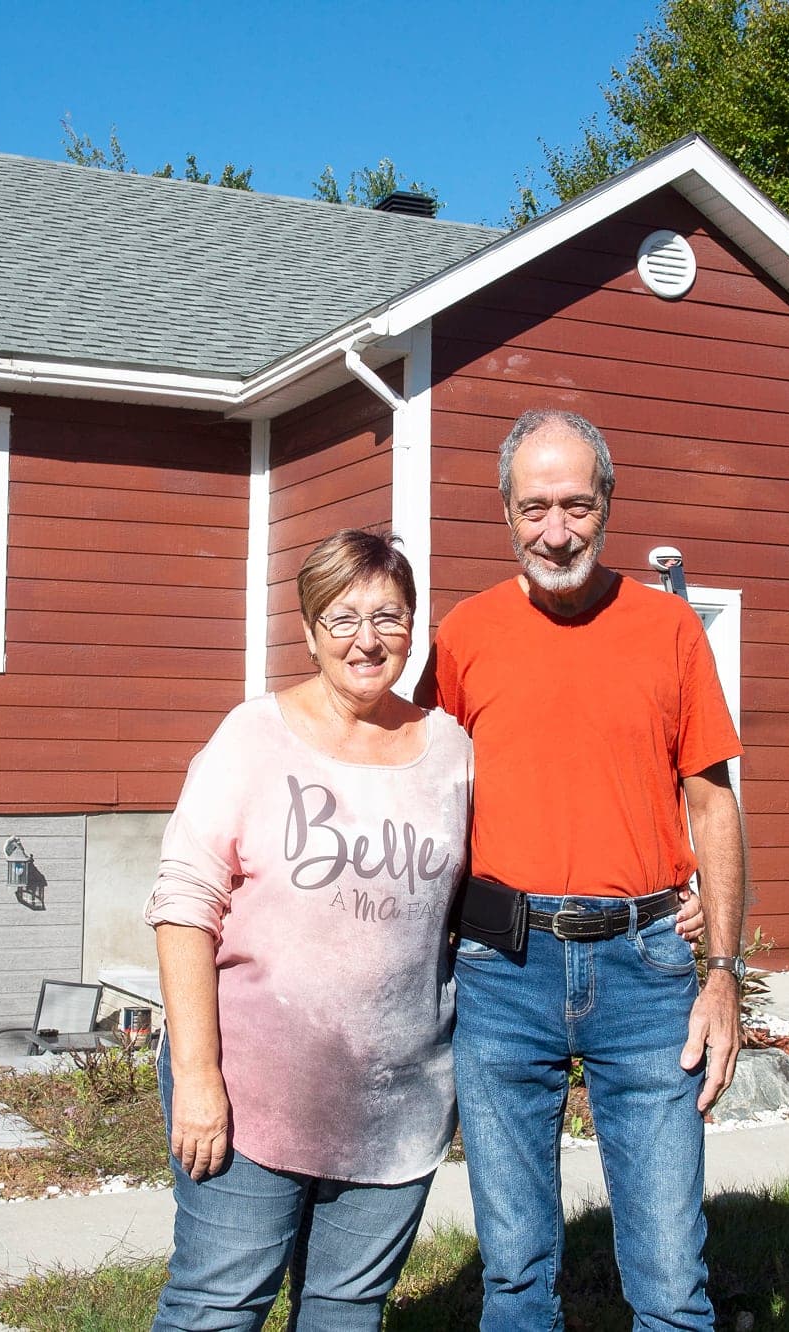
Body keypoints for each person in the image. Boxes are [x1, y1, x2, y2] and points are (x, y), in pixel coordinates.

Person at [422, 408, 748, 1331]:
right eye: (534, 508)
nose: (556, 531)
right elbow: (418, 793)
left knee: (672, 1282)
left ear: (608, 502)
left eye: (576, 505)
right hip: (501, 968)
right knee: (515, 1280)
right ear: (505, 512)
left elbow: (713, 804)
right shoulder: (463, 635)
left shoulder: (670, 628)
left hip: (646, 967)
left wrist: (723, 970)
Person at [143, 528, 474, 1331]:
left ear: (414, 627)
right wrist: (197, 1077)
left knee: (348, 1312)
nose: (367, 640)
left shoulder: (452, 753)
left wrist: (681, 891)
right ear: (309, 629)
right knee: (217, 1307)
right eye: (343, 618)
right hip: (251, 1093)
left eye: (388, 618)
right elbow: (185, 903)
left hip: (396, 1101)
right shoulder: (253, 736)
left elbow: (507, 879)